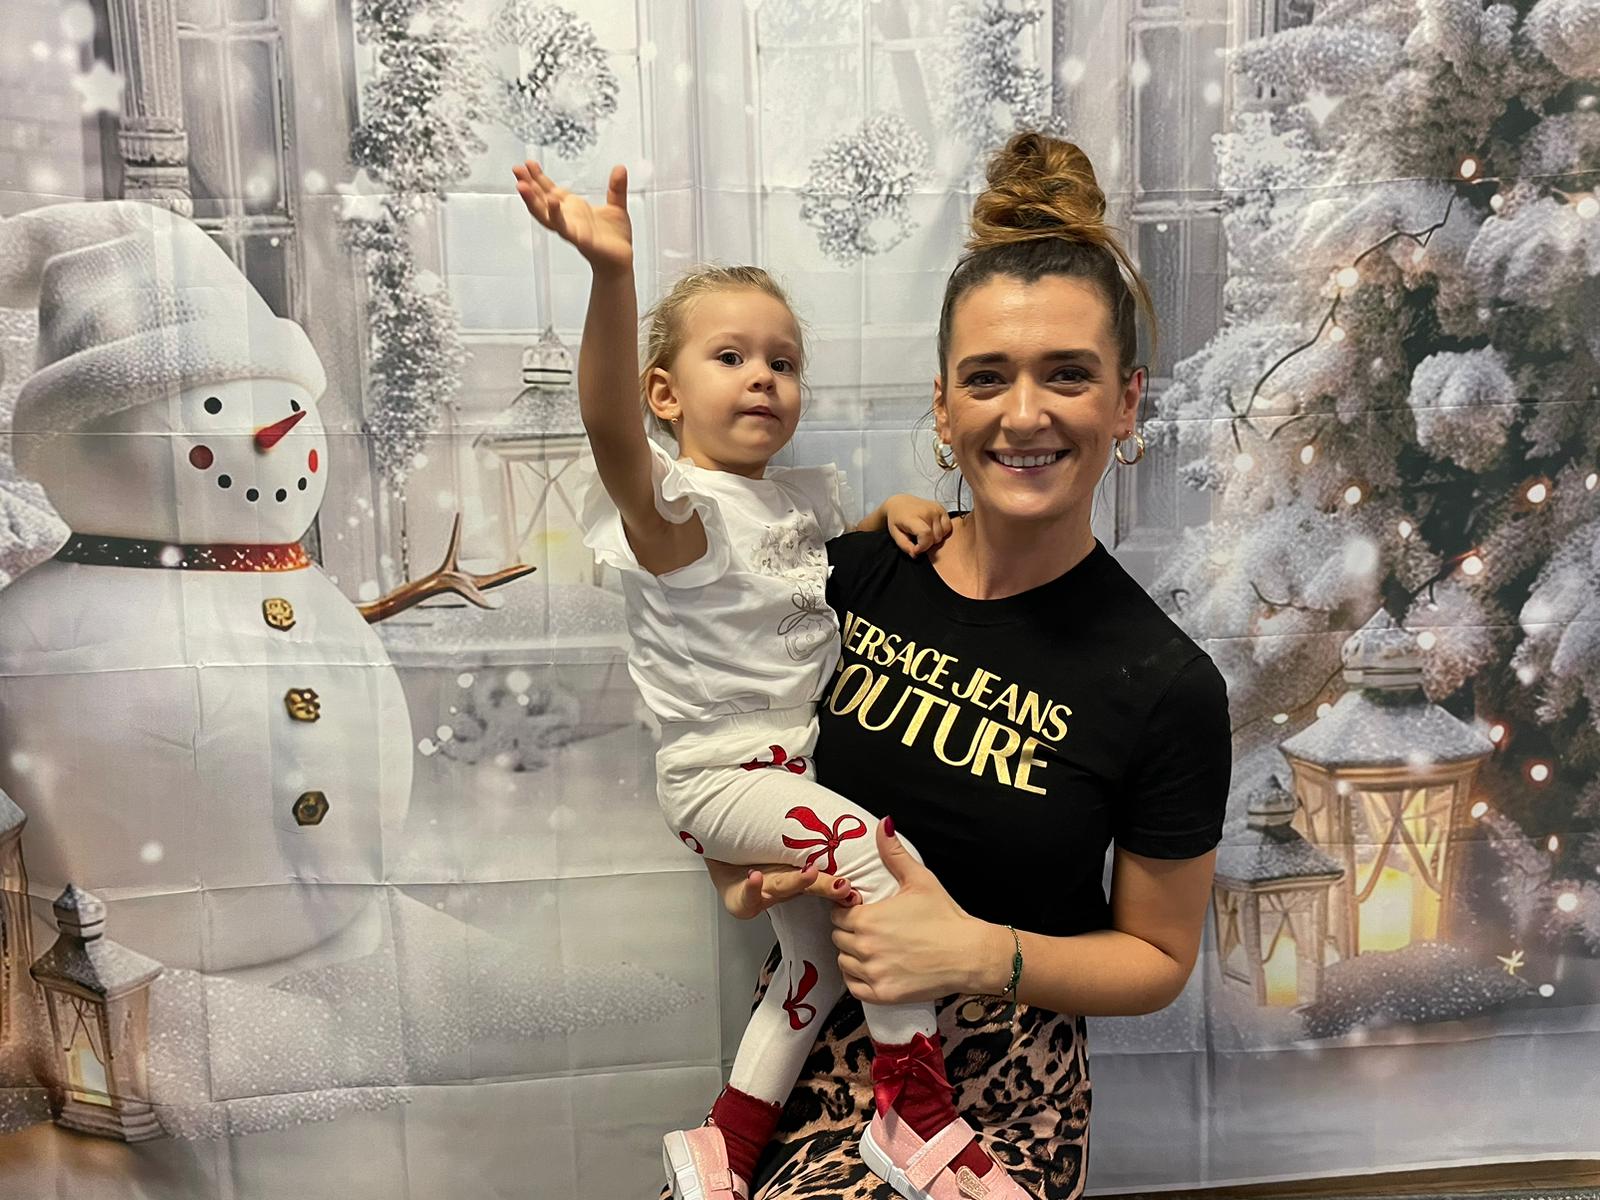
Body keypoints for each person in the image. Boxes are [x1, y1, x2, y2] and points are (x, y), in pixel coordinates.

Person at [696, 130, 1234, 1200]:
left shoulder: (1164, 684)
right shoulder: (852, 577)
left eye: (1067, 375)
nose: (1024, 414)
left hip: (997, 1097)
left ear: (1126, 403)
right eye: (988, 379)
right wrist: (742, 873)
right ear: (943, 409)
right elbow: (727, 740)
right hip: (801, 1058)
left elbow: (1159, 960)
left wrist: (977, 953)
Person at [510, 161, 1041, 1200]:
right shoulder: (676, 517)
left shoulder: (787, 504)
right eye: (731, 357)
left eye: (782, 362)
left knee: (817, 965)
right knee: (874, 853)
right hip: (721, 777)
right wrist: (610, 277)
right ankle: (915, 1110)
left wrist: (885, 515)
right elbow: (610, 432)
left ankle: (727, 1141)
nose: (763, 377)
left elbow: (800, 573)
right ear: (665, 393)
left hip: (782, 772)